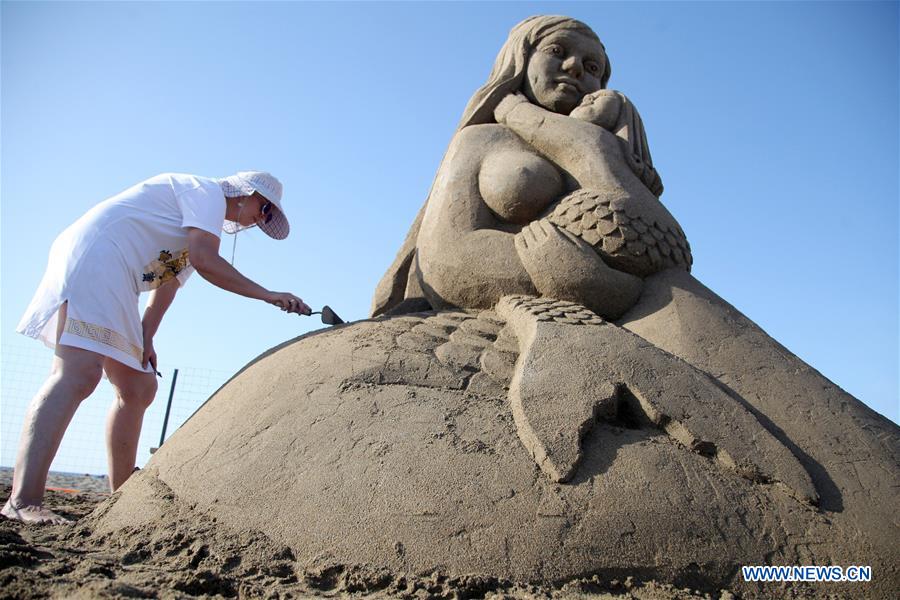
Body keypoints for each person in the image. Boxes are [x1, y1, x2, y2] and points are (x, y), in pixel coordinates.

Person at [2, 171, 311, 524]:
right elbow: (206, 262)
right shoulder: (206, 193)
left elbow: (169, 283)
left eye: (268, 217)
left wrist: (146, 337)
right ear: (245, 192)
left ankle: (121, 499)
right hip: (99, 257)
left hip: (120, 277)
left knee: (138, 385)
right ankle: (23, 500)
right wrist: (269, 295)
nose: (261, 219)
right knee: (78, 374)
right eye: (265, 209)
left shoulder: (200, 227)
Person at [371, 15, 684, 320]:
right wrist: (566, 271)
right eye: (557, 51)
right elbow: (445, 256)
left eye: (592, 68)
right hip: (518, 301)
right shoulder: (480, 139)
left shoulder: (612, 148)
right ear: (521, 59)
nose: (574, 67)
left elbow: (658, 251)